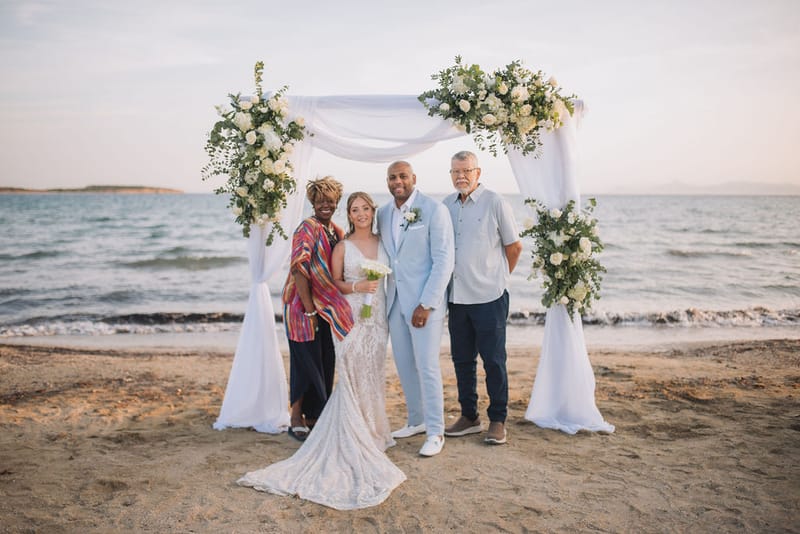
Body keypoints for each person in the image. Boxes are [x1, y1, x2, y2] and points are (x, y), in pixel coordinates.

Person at [238, 192, 406, 510]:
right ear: (348, 213)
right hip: (342, 314)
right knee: (340, 370)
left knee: (370, 371)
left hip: (376, 317)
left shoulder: (355, 236)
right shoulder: (335, 241)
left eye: (365, 208)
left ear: (373, 211)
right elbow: (323, 277)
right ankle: (306, 418)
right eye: (354, 209)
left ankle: (371, 428)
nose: (360, 213)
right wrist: (345, 293)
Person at [442, 151, 523, 445]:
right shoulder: (446, 205)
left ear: (478, 172)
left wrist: (498, 278)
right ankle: (469, 417)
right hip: (457, 298)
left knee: (494, 361)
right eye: (455, 171)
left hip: (490, 297)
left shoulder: (495, 202)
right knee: (462, 361)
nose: (461, 176)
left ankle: (498, 420)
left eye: (466, 170)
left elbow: (514, 247)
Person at [377, 161, 454, 457]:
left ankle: (436, 431)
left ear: (413, 178)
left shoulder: (434, 210)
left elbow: (444, 260)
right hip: (395, 301)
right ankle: (416, 420)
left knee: (427, 366)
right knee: (405, 364)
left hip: (424, 304)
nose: (398, 181)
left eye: (403, 176)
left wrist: (427, 303)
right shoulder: (383, 213)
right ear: (387, 181)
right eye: (392, 177)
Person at [280, 176, 354, 442]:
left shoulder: (336, 230)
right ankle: (295, 417)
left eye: (330, 201)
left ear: (337, 202)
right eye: (321, 200)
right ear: (312, 202)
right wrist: (310, 310)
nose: (326, 205)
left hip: (325, 309)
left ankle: (314, 416)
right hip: (301, 307)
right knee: (304, 362)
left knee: (323, 361)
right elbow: (299, 269)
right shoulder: (307, 228)